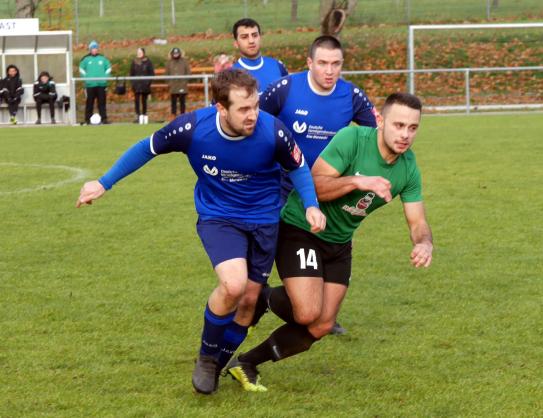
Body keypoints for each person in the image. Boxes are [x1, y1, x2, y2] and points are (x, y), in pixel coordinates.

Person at [75, 69, 326, 396]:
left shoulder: (273, 131)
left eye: (255, 106)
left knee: (249, 302)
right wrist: (103, 182)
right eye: (243, 109)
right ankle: (207, 358)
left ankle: (219, 364)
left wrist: (311, 204)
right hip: (219, 217)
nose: (253, 115)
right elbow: (145, 148)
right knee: (233, 285)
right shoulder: (193, 128)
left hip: (264, 221)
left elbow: (298, 166)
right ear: (221, 108)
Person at [228, 92, 433, 392]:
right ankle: (265, 298)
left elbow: (418, 221)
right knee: (308, 312)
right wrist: (357, 181)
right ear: (381, 121)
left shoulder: (408, 168)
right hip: (302, 227)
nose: (404, 134)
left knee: (322, 324)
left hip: (339, 243)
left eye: (412, 128)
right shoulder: (353, 139)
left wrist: (424, 242)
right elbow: (315, 185)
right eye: (398, 125)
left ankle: (246, 362)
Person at [260, 35, 378, 335]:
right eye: (323, 63)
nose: (329, 70)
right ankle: (256, 294)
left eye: (336, 64)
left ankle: (325, 310)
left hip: (328, 188)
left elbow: (375, 138)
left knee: (330, 242)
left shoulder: (352, 96)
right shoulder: (284, 90)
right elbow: (256, 123)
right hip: (284, 187)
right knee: (271, 242)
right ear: (309, 62)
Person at [231, 18, 288, 94]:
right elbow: (216, 105)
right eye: (244, 37)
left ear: (260, 38)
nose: (251, 41)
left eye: (255, 35)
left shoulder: (277, 65)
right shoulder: (230, 75)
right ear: (236, 44)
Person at [79, 40, 112, 125]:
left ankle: (104, 119)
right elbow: (81, 69)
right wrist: (86, 78)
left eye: (95, 48)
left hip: (101, 85)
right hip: (90, 85)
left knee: (102, 103)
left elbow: (109, 68)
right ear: (90, 49)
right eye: (92, 48)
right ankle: (87, 119)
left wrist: (105, 77)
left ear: (97, 49)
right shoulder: (86, 59)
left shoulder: (102, 58)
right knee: (89, 103)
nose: (94, 50)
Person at [129, 47, 155, 124]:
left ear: (143, 53)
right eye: (138, 52)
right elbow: (131, 73)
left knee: (144, 101)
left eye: (140, 52)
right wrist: (133, 83)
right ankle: (138, 115)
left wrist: (148, 82)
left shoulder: (148, 61)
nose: (139, 53)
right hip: (136, 84)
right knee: (136, 100)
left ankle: (144, 115)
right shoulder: (134, 61)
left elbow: (151, 73)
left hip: (145, 84)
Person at [165, 47, 191, 118]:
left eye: (177, 53)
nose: (175, 55)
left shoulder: (184, 61)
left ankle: (183, 116)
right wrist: (169, 83)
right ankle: (173, 116)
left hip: (182, 85)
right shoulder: (169, 62)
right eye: (174, 53)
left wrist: (185, 81)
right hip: (173, 85)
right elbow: (166, 73)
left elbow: (188, 72)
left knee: (182, 102)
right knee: (173, 103)